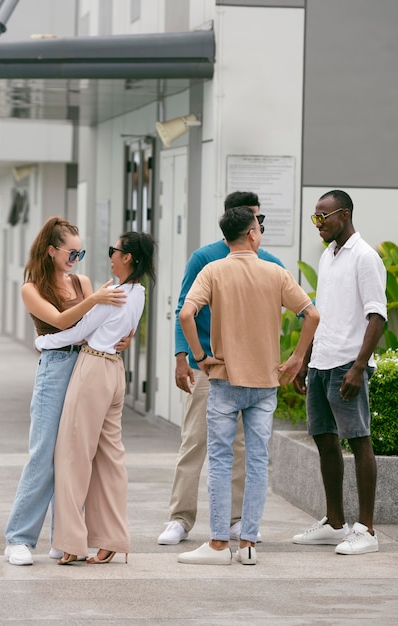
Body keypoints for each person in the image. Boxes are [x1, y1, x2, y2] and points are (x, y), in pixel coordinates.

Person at [177, 206, 319, 565]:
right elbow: (312, 314)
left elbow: (185, 313)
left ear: (227, 238)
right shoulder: (275, 272)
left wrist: (199, 355)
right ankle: (249, 543)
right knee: (257, 461)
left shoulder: (213, 269)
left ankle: (219, 545)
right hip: (265, 382)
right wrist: (297, 357)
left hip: (225, 379)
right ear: (252, 234)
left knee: (221, 460)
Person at [157, 191, 284, 546]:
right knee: (195, 441)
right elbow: (185, 307)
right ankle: (180, 518)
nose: (258, 227)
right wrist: (185, 357)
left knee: (242, 449)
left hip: (251, 374)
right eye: (254, 221)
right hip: (209, 368)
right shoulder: (205, 259)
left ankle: (236, 520)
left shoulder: (271, 262)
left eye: (261, 220)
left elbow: (295, 307)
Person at [5, 217, 129, 566]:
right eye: (71, 252)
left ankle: (65, 538)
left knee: (74, 455)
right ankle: (18, 539)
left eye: (81, 252)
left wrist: (125, 337)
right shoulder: (32, 288)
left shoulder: (83, 281)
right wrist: (97, 300)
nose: (76, 258)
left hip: (86, 365)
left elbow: (99, 324)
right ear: (51, 250)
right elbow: (61, 322)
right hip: (56, 369)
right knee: (43, 454)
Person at [35, 231, 156, 565]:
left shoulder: (114, 293)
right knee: (110, 460)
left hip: (93, 370)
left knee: (72, 455)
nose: (111, 255)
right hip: (115, 373)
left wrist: (43, 343)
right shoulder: (139, 293)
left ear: (128, 257)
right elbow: (121, 332)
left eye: (114, 250)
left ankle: (72, 542)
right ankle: (111, 539)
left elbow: (78, 332)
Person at [292, 190, 387, 555]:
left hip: (347, 364)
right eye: (315, 217)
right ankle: (335, 522)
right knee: (324, 439)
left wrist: (359, 366)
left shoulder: (364, 257)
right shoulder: (329, 256)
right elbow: (323, 315)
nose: (318, 223)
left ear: (344, 215)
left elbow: (377, 315)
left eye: (323, 217)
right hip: (322, 362)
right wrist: (306, 358)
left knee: (359, 440)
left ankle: (366, 529)